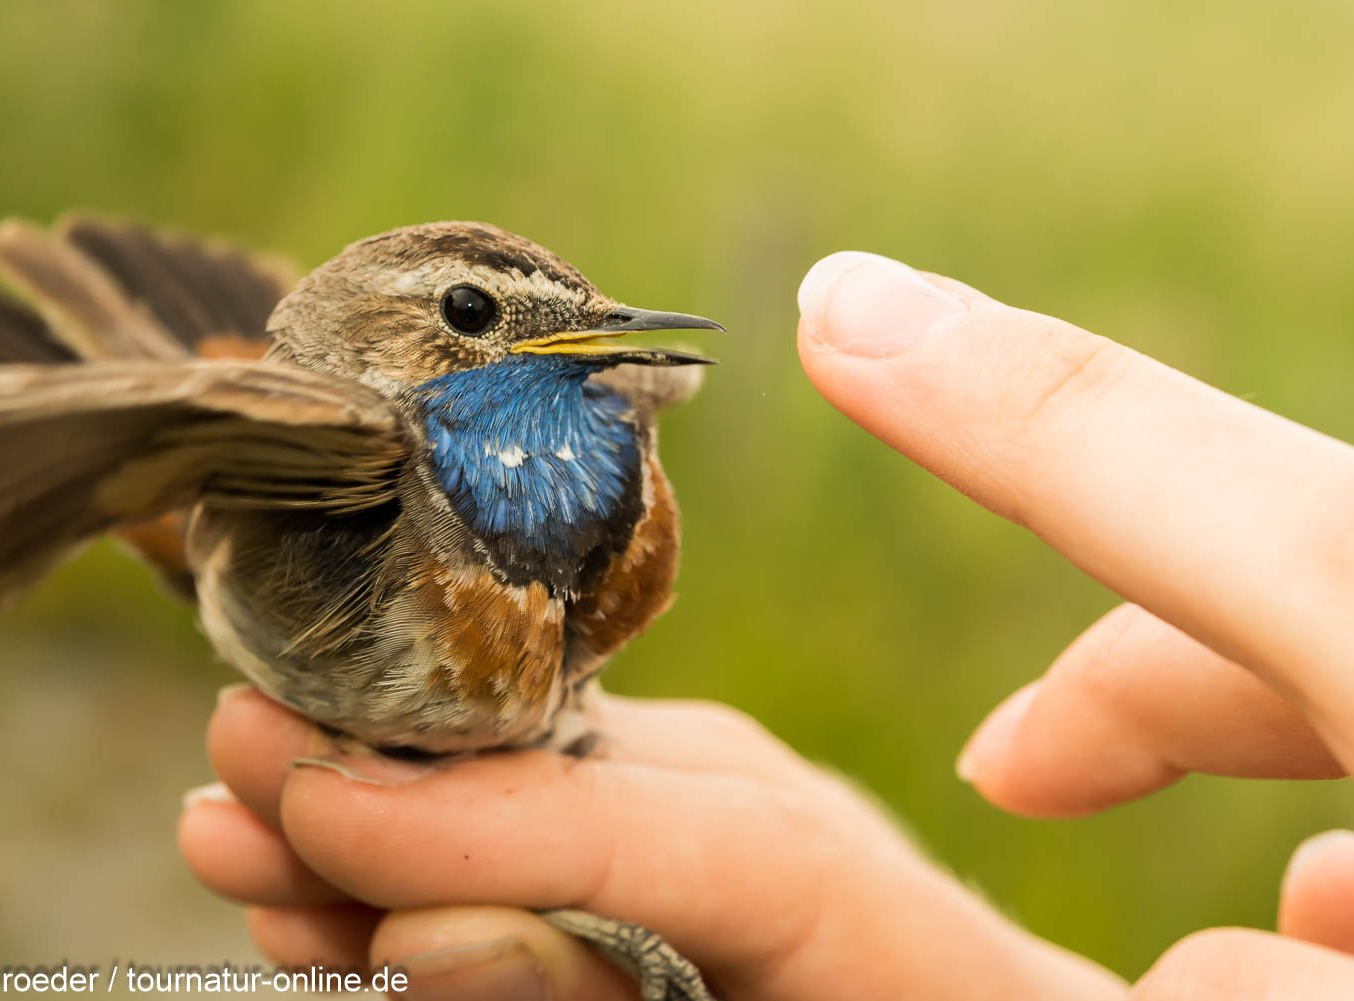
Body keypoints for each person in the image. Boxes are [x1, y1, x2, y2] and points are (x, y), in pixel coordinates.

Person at [176, 251, 1354, 1000]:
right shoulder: (349, 445)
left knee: (442, 875)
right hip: (349, 653)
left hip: (490, 732)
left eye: (580, 328)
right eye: (478, 313)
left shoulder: (599, 430)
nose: (584, 349)